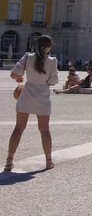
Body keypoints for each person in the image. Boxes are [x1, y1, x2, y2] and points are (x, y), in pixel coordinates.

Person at [5, 35, 58, 171]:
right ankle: (48, 161)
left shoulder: (28, 57)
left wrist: (18, 79)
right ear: (49, 47)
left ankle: (9, 161)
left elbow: (13, 73)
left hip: (26, 96)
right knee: (44, 130)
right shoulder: (52, 61)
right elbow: (53, 81)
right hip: (42, 97)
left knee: (18, 128)